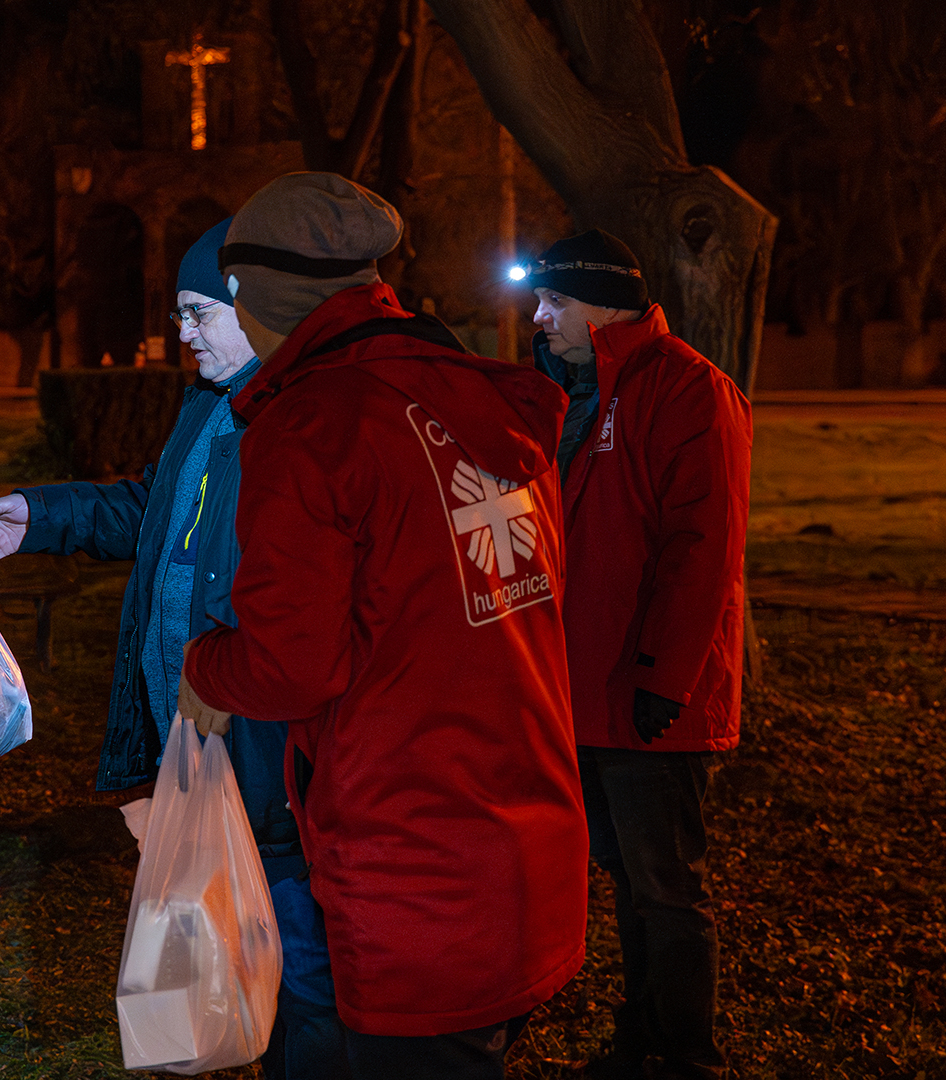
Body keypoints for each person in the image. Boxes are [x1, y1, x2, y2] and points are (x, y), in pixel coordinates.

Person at [177, 172, 589, 1079]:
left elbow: (290, 666)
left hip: (409, 857)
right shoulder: (481, 395)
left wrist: (206, 665)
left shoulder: (316, 426)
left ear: (264, 298)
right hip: (524, 837)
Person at [0, 219, 343, 1078]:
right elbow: (158, 510)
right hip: (196, 739)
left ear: (256, 308)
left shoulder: (302, 418)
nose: (182, 335)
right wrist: (43, 514)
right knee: (226, 956)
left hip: (269, 752)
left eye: (197, 313)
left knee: (300, 962)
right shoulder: (212, 405)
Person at [524, 229, 751, 1080]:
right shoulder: (575, 389)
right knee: (629, 881)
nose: (540, 318)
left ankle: (688, 1053)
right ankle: (645, 1038)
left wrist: (665, 675)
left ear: (603, 305)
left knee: (666, 887)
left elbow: (703, 548)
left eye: (555, 303)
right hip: (588, 688)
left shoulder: (689, 391)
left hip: (653, 696)